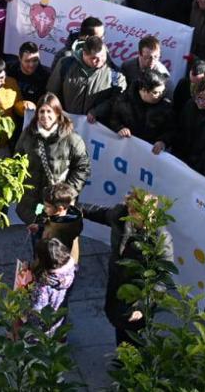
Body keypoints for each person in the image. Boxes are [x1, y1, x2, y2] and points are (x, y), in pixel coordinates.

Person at [81, 189, 174, 346]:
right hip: (117, 282)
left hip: (137, 294)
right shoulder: (121, 215)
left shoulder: (160, 239)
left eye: (134, 211)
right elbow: (101, 213)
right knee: (119, 325)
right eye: (129, 208)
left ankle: (132, 365)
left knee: (133, 334)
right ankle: (123, 358)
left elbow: (162, 277)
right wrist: (76, 207)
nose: (130, 213)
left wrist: (143, 307)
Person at [14, 93, 91, 223]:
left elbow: (82, 168)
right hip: (32, 201)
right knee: (37, 235)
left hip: (57, 204)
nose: (45, 116)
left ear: (57, 113)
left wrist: (68, 192)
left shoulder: (71, 139)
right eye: (41, 111)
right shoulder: (28, 133)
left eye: (49, 111)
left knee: (57, 239)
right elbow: (17, 157)